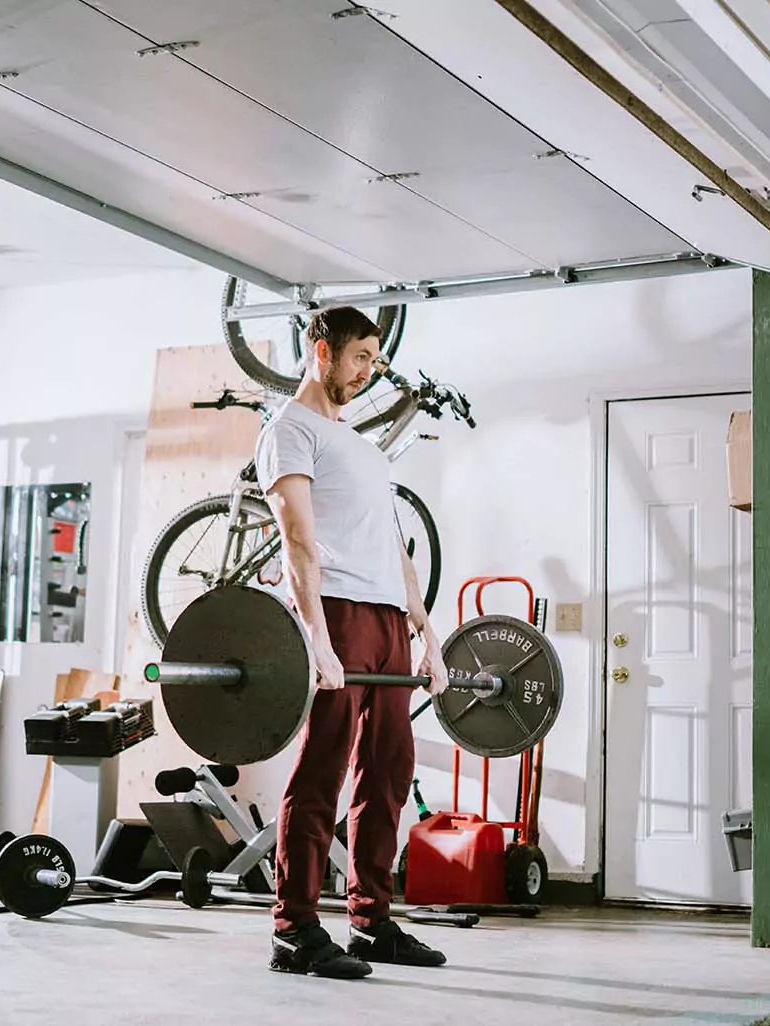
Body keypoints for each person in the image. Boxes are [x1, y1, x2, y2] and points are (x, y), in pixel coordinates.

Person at [254, 305, 451, 979]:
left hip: (388, 618)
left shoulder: (363, 447)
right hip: (335, 611)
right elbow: (298, 539)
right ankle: (295, 927)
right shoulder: (289, 431)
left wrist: (427, 629)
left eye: (374, 360)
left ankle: (370, 919)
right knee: (322, 771)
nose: (367, 372)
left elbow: (390, 540)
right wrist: (316, 637)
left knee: (390, 769)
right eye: (359, 357)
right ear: (321, 352)